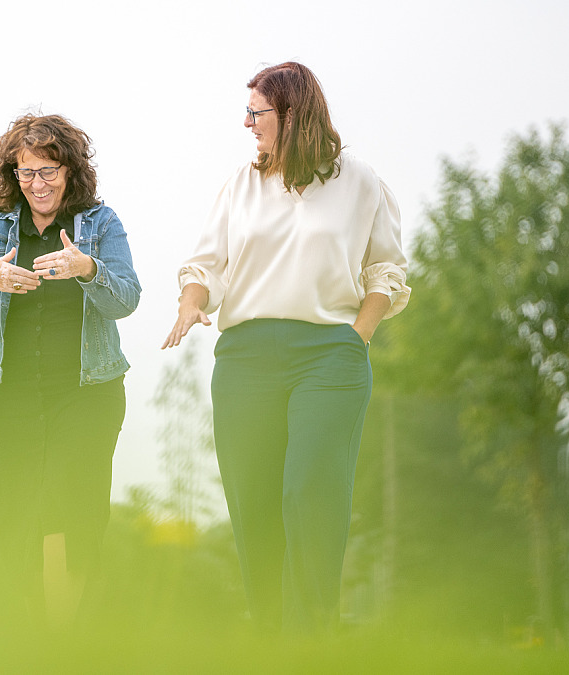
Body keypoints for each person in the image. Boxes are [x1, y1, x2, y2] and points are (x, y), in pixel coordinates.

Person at [163, 62, 411, 633]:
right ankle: (270, 640)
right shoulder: (241, 184)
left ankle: (313, 640)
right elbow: (205, 262)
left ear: (294, 115)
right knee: (254, 506)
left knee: (310, 493)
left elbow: (387, 269)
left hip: (329, 355)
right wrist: (191, 302)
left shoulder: (361, 181)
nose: (246, 123)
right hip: (246, 358)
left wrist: (358, 337)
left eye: (257, 113)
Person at [0, 113, 141, 630]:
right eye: (26, 172)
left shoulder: (100, 223)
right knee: (16, 517)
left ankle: (65, 634)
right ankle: (32, 636)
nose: (38, 184)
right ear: (13, 174)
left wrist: (89, 269)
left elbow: (128, 299)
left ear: (70, 170)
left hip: (86, 394)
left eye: (49, 170)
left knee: (74, 510)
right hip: (6, 395)